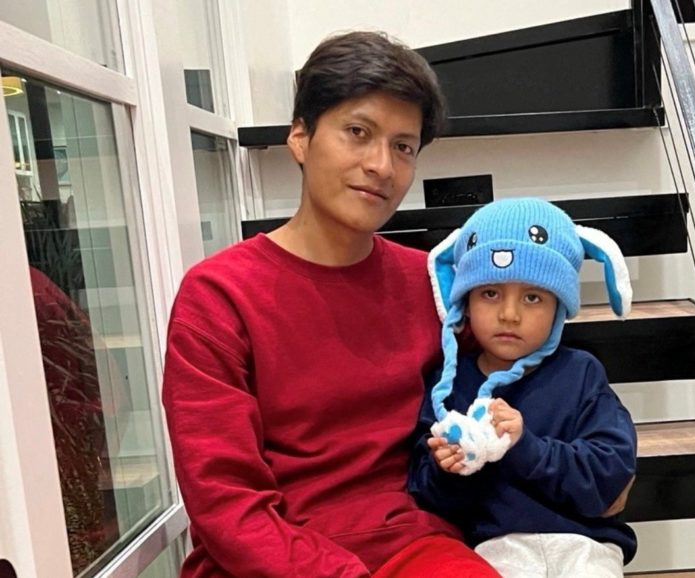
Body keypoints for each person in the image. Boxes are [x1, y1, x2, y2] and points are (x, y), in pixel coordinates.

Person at [161, 31, 500, 577]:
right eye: (358, 133)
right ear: (300, 137)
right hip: (264, 558)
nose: (382, 166)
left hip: (411, 543)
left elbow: (521, 378)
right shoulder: (218, 295)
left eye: (403, 147)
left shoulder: (432, 284)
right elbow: (225, 501)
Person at [408, 198, 639, 577]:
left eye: (533, 297)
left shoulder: (582, 374)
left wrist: (524, 446)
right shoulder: (447, 387)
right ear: (464, 303)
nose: (509, 314)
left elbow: (609, 476)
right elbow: (428, 497)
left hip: (585, 544)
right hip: (496, 548)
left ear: (558, 307)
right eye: (490, 293)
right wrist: (448, 468)